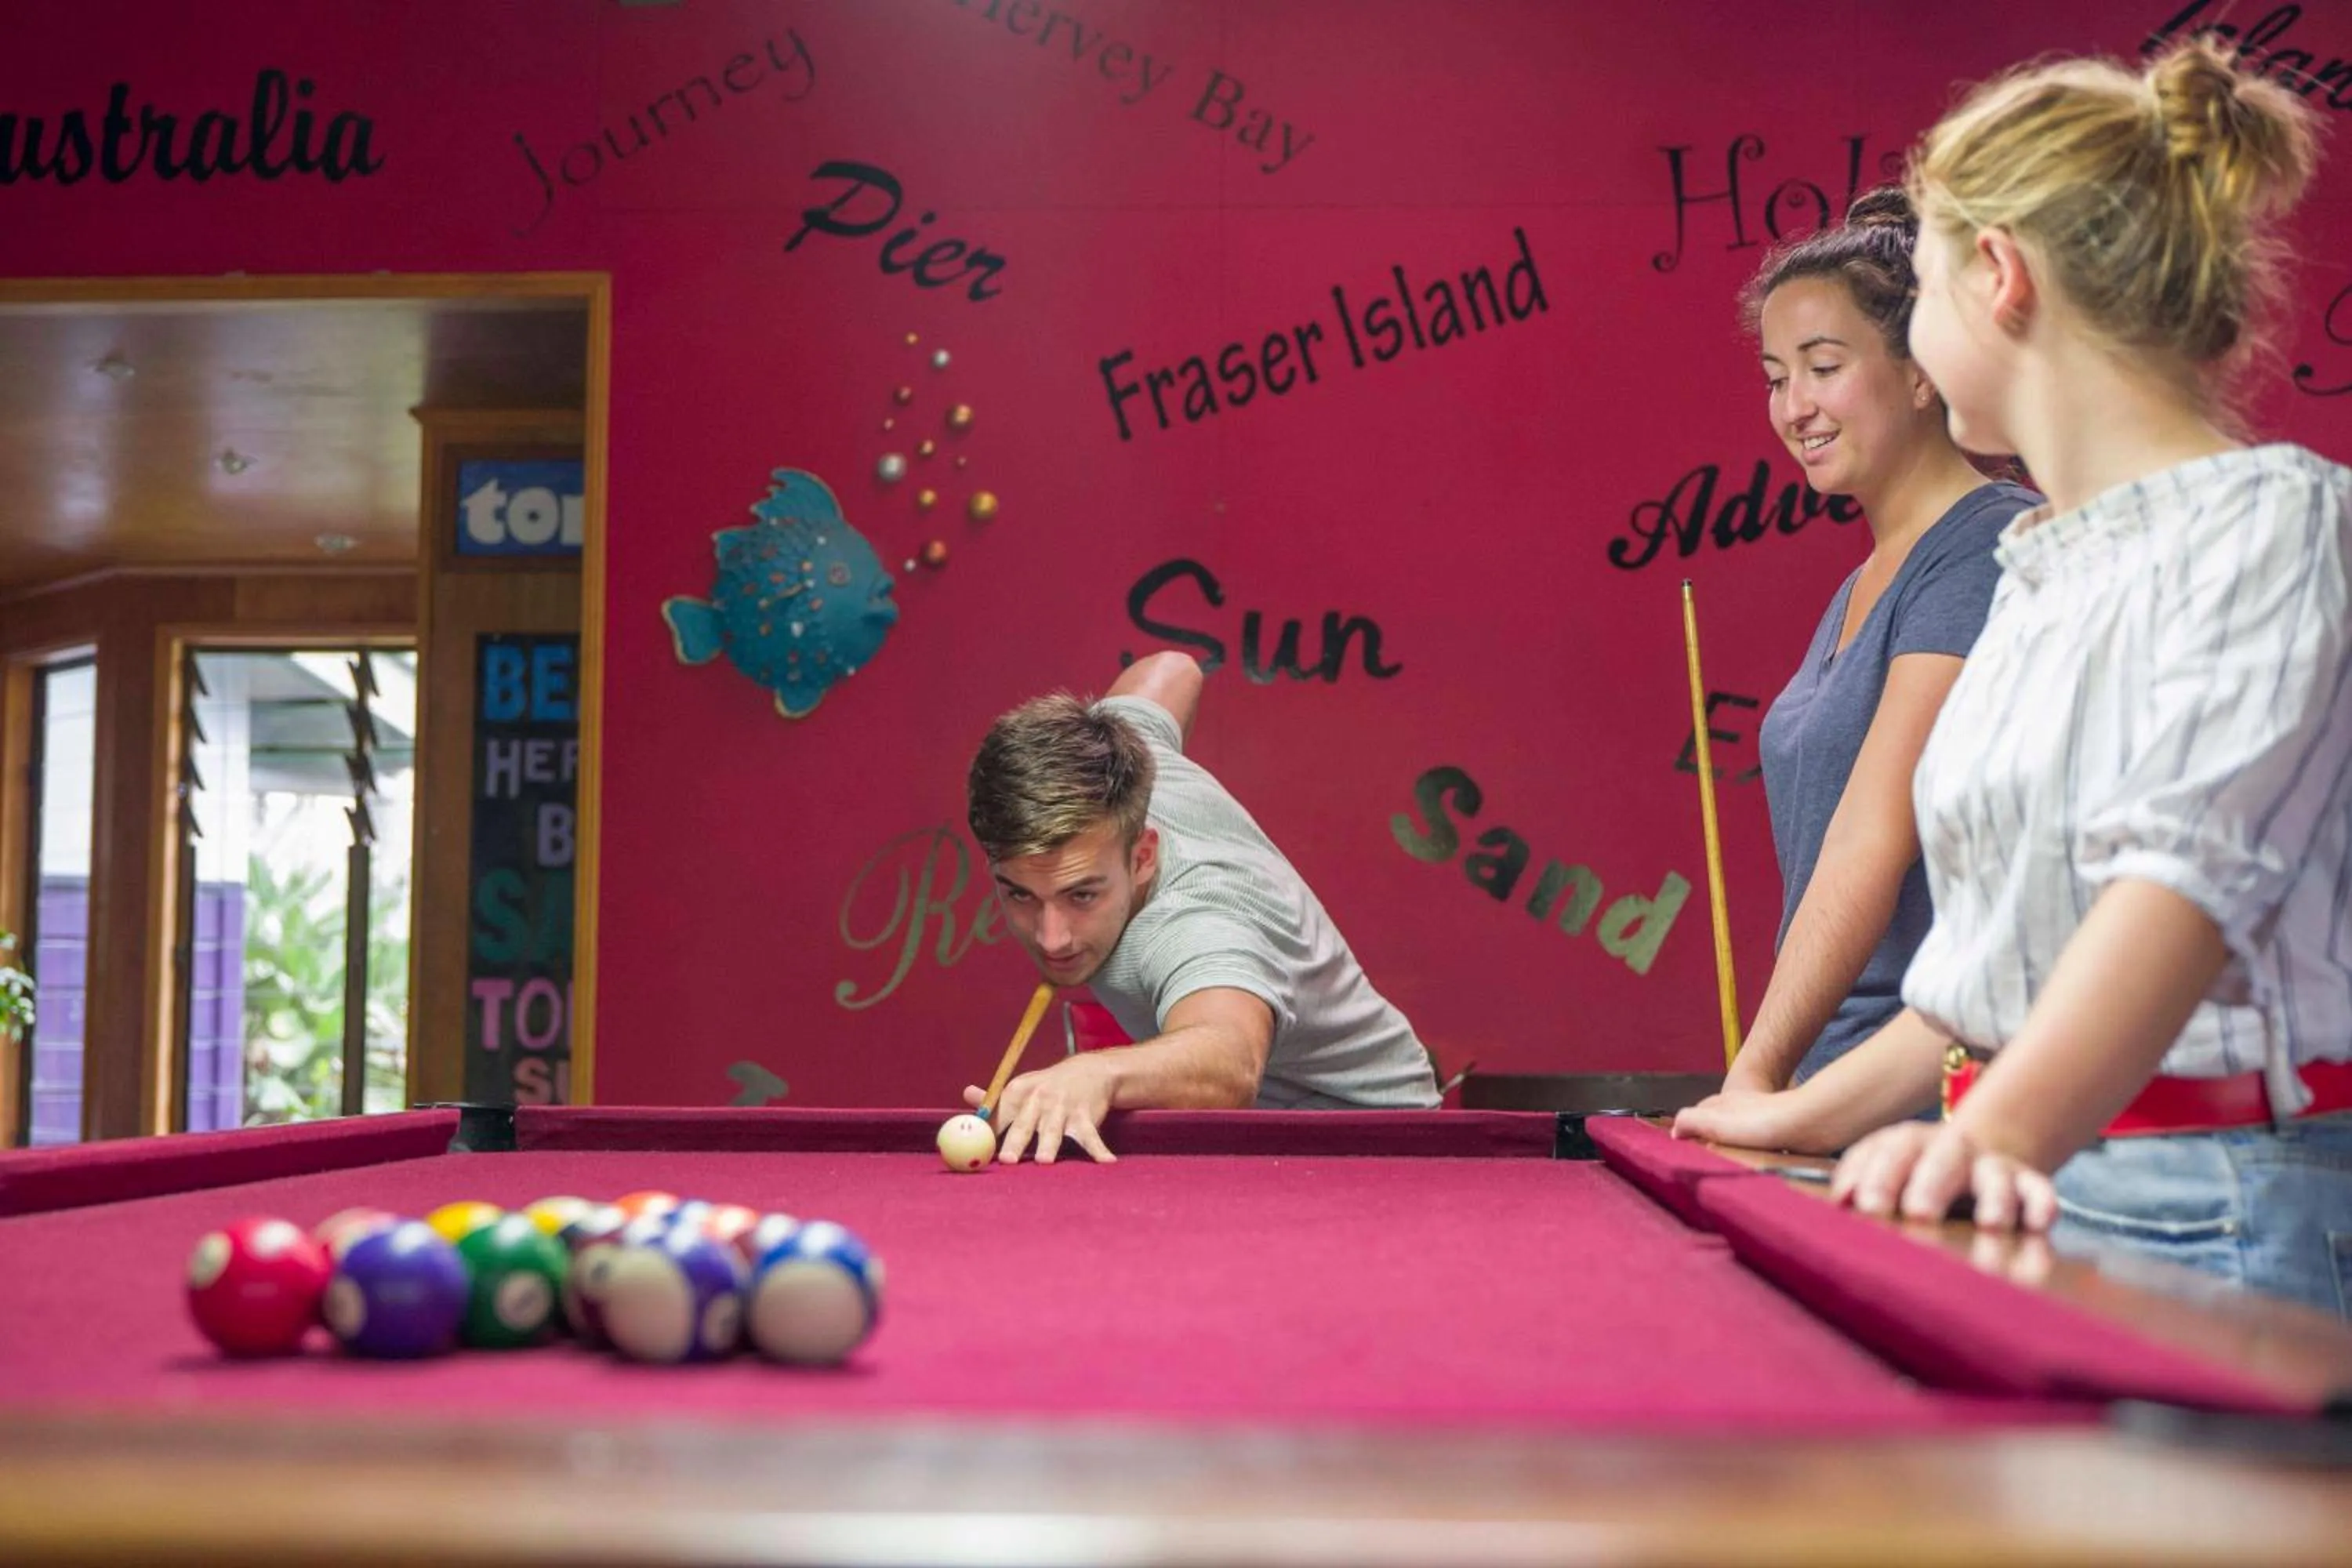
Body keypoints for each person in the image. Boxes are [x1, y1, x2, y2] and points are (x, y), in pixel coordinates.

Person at [1675, 42, 2352, 1318]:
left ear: (2000, 278)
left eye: (1923, 291)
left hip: (2225, 1196)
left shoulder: (2280, 524)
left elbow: (2179, 888)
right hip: (2033, 1183)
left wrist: (1992, 1134)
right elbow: (1988, 987)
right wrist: (1781, 1116)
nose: (1918, 341)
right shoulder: (2035, 566)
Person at [1721, 187, 2038, 1095]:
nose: (1795, 407)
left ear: (1922, 371)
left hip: (1930, 1093)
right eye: (1776, 378)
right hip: (1833, 1085)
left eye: (1824, 366)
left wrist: (1752, 1076)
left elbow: (1872, 838)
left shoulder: (1985, 546)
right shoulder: (1862, 584)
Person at [962, 651, 1440, 1163]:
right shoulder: (1127, 761)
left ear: (1142, 857)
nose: (1052, 937)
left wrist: (1095, 1071)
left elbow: (1229, 1060)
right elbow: (1173, 669)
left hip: (1373, 1140)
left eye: (1082, 895)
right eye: (1020, 894)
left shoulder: (1195, 923)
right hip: (1260, 1137)